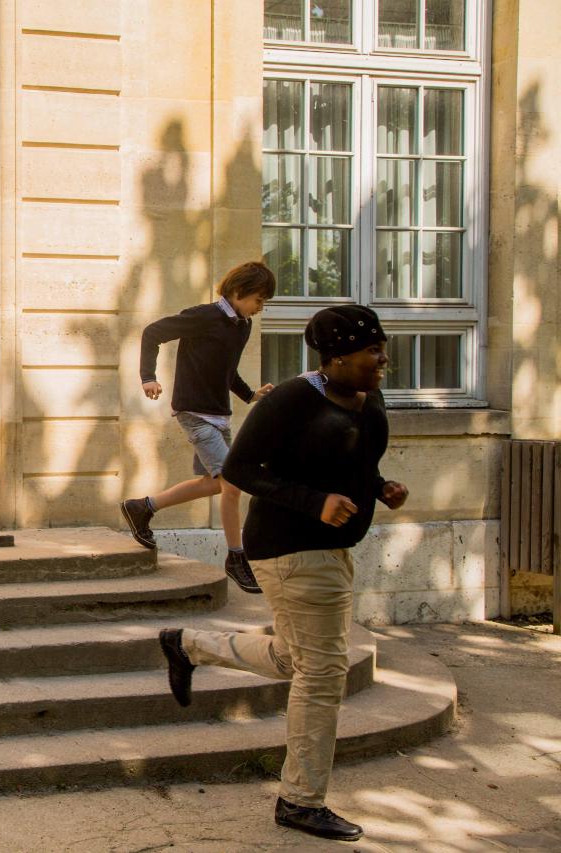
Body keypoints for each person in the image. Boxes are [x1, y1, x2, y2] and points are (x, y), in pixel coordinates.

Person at [158, 305, 408, 843]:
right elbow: (240, 470)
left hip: (333, 548)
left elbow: (353, 456)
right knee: (323, 674)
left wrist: (380, 487)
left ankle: (187, 645)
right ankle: (299, 800)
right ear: (337, 356)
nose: (383, 358)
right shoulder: (294, 399)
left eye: (382, 347)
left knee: (295, 659)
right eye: (373, 350)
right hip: (290, 548)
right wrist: (313, 502)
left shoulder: (372, 397)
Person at [118, 261, 277, 594]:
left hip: (219, 413)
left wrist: (250, 395)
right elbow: (152, 333)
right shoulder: (204, 316)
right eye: (259, 300)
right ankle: (236, 558)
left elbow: (227, 370)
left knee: (214, 483)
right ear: (237, 292)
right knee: (232, 483)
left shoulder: (242, 325)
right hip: (192, 411)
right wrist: (148, 377)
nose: (261, 308)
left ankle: (142, 507)